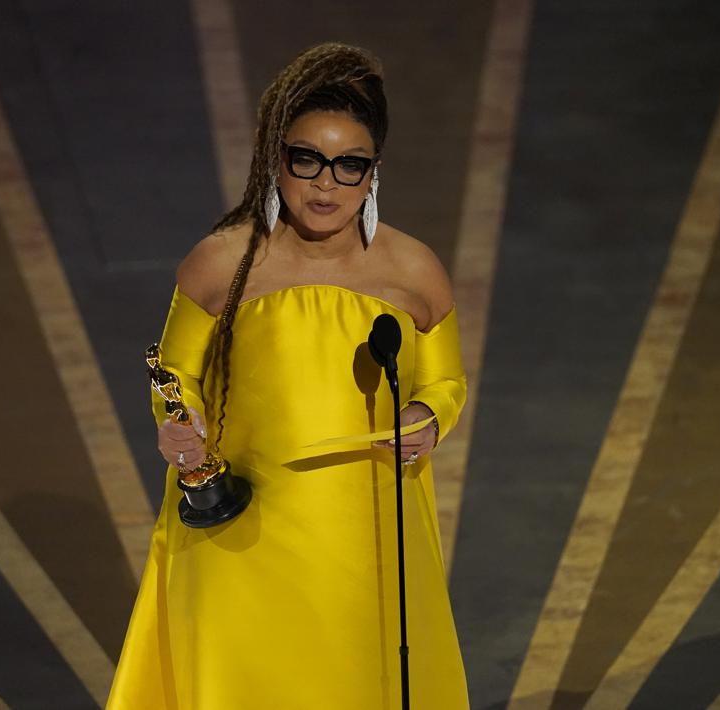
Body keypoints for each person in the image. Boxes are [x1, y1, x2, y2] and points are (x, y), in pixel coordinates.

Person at [107, 42, 469, 709]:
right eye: (306, 160)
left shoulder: (413, 270)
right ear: (276, 158)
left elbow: (446, 384)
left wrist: (426, 419)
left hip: (365, 530)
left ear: (373, 172)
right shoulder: (221, 262)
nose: (325, 184)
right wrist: (177, 424)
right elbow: (175, 374)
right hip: (244, 526)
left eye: (348, 166)